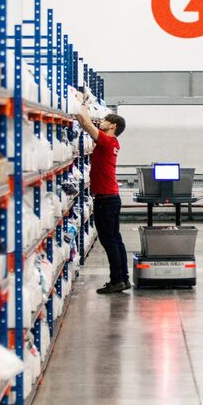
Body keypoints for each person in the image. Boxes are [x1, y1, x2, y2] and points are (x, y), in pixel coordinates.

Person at [76, 100, 129, 294]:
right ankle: (124, 278)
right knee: (116, 239)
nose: (102, 122)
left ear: (113, 126)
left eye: (105, 120)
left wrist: (79, 102)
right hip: (111, 198)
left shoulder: (107, 141)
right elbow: (84, 122)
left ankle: (117, 280)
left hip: (106, 200)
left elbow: (86, 123)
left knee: (109, 241)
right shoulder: (112, 142)